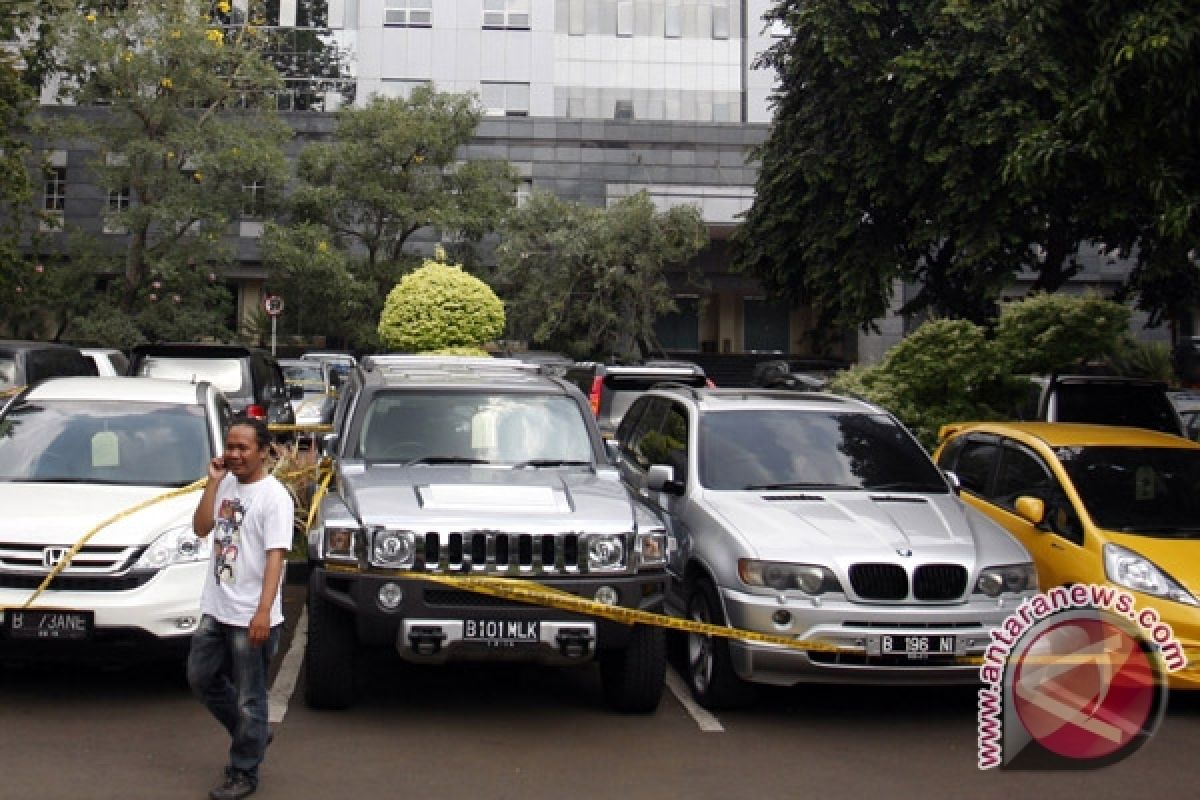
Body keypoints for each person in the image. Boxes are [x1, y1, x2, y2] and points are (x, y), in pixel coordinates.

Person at [188, 417, 294, 800]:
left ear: (263, 450)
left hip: (251, 612)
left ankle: (243, 772)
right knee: (201, 678)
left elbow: (275, 558)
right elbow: (201, 528)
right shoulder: (227, 485)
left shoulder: (274, 497)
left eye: (242, 448)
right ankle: (254, 734)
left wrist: (264, 611)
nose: (234, 455)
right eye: (230, 447)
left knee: (252, 697)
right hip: (217, 607)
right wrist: (213, 482)